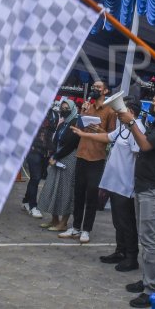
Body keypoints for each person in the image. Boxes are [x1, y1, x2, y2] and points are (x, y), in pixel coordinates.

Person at [117, 89, 155, 309]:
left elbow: (145, 145)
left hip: (154, 189)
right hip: (146, 187)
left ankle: (151, 288)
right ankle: (147, 280)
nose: (151, 102)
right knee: (147, 238)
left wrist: (132, 122)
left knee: (150, 240)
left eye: (154, 99)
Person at [73, 98, 145, 271]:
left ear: (131, 113)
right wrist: (84, 135)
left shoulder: (138, 129)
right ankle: (120, 251)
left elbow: (139, 156)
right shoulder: (123, 127)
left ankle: (131, 257)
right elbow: (107, 136)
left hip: (125, 184)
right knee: (118, 221)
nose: (118, 115)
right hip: (114, 182)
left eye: (121, 111)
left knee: (126, 222)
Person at [61, 80, 117, 244]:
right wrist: (82, 113)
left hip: (97, 158)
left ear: (105, 91)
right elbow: (78, 129)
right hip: (81, 155)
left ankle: (86, 229)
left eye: (98, 87)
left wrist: (100, 130)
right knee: (78, 193)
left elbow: (112, 136)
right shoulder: (88, 107)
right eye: (93, 87)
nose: (95, 89)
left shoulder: (110, 111)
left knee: (91, 195)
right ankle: (76, 226)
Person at [37, 98, 80, 232]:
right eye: (62, 107)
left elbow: (70, 144)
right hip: (56, 159)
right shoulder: (62, 124)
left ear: (72, 109)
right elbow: (55, 141)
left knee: (65, 191)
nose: (63, 110)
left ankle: (63, 222)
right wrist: (53, 155)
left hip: (68, 159)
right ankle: (54, 219)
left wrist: (56, 156)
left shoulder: (76, 123)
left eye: (67, 107)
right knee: (52, 188)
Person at [21, 106, 57, 218]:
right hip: (34, 150)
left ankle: (26, 201)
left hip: (47, 151)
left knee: (36, 178)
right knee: (35, 177)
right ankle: (33, 206)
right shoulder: (32, 111)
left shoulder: (54, 114)